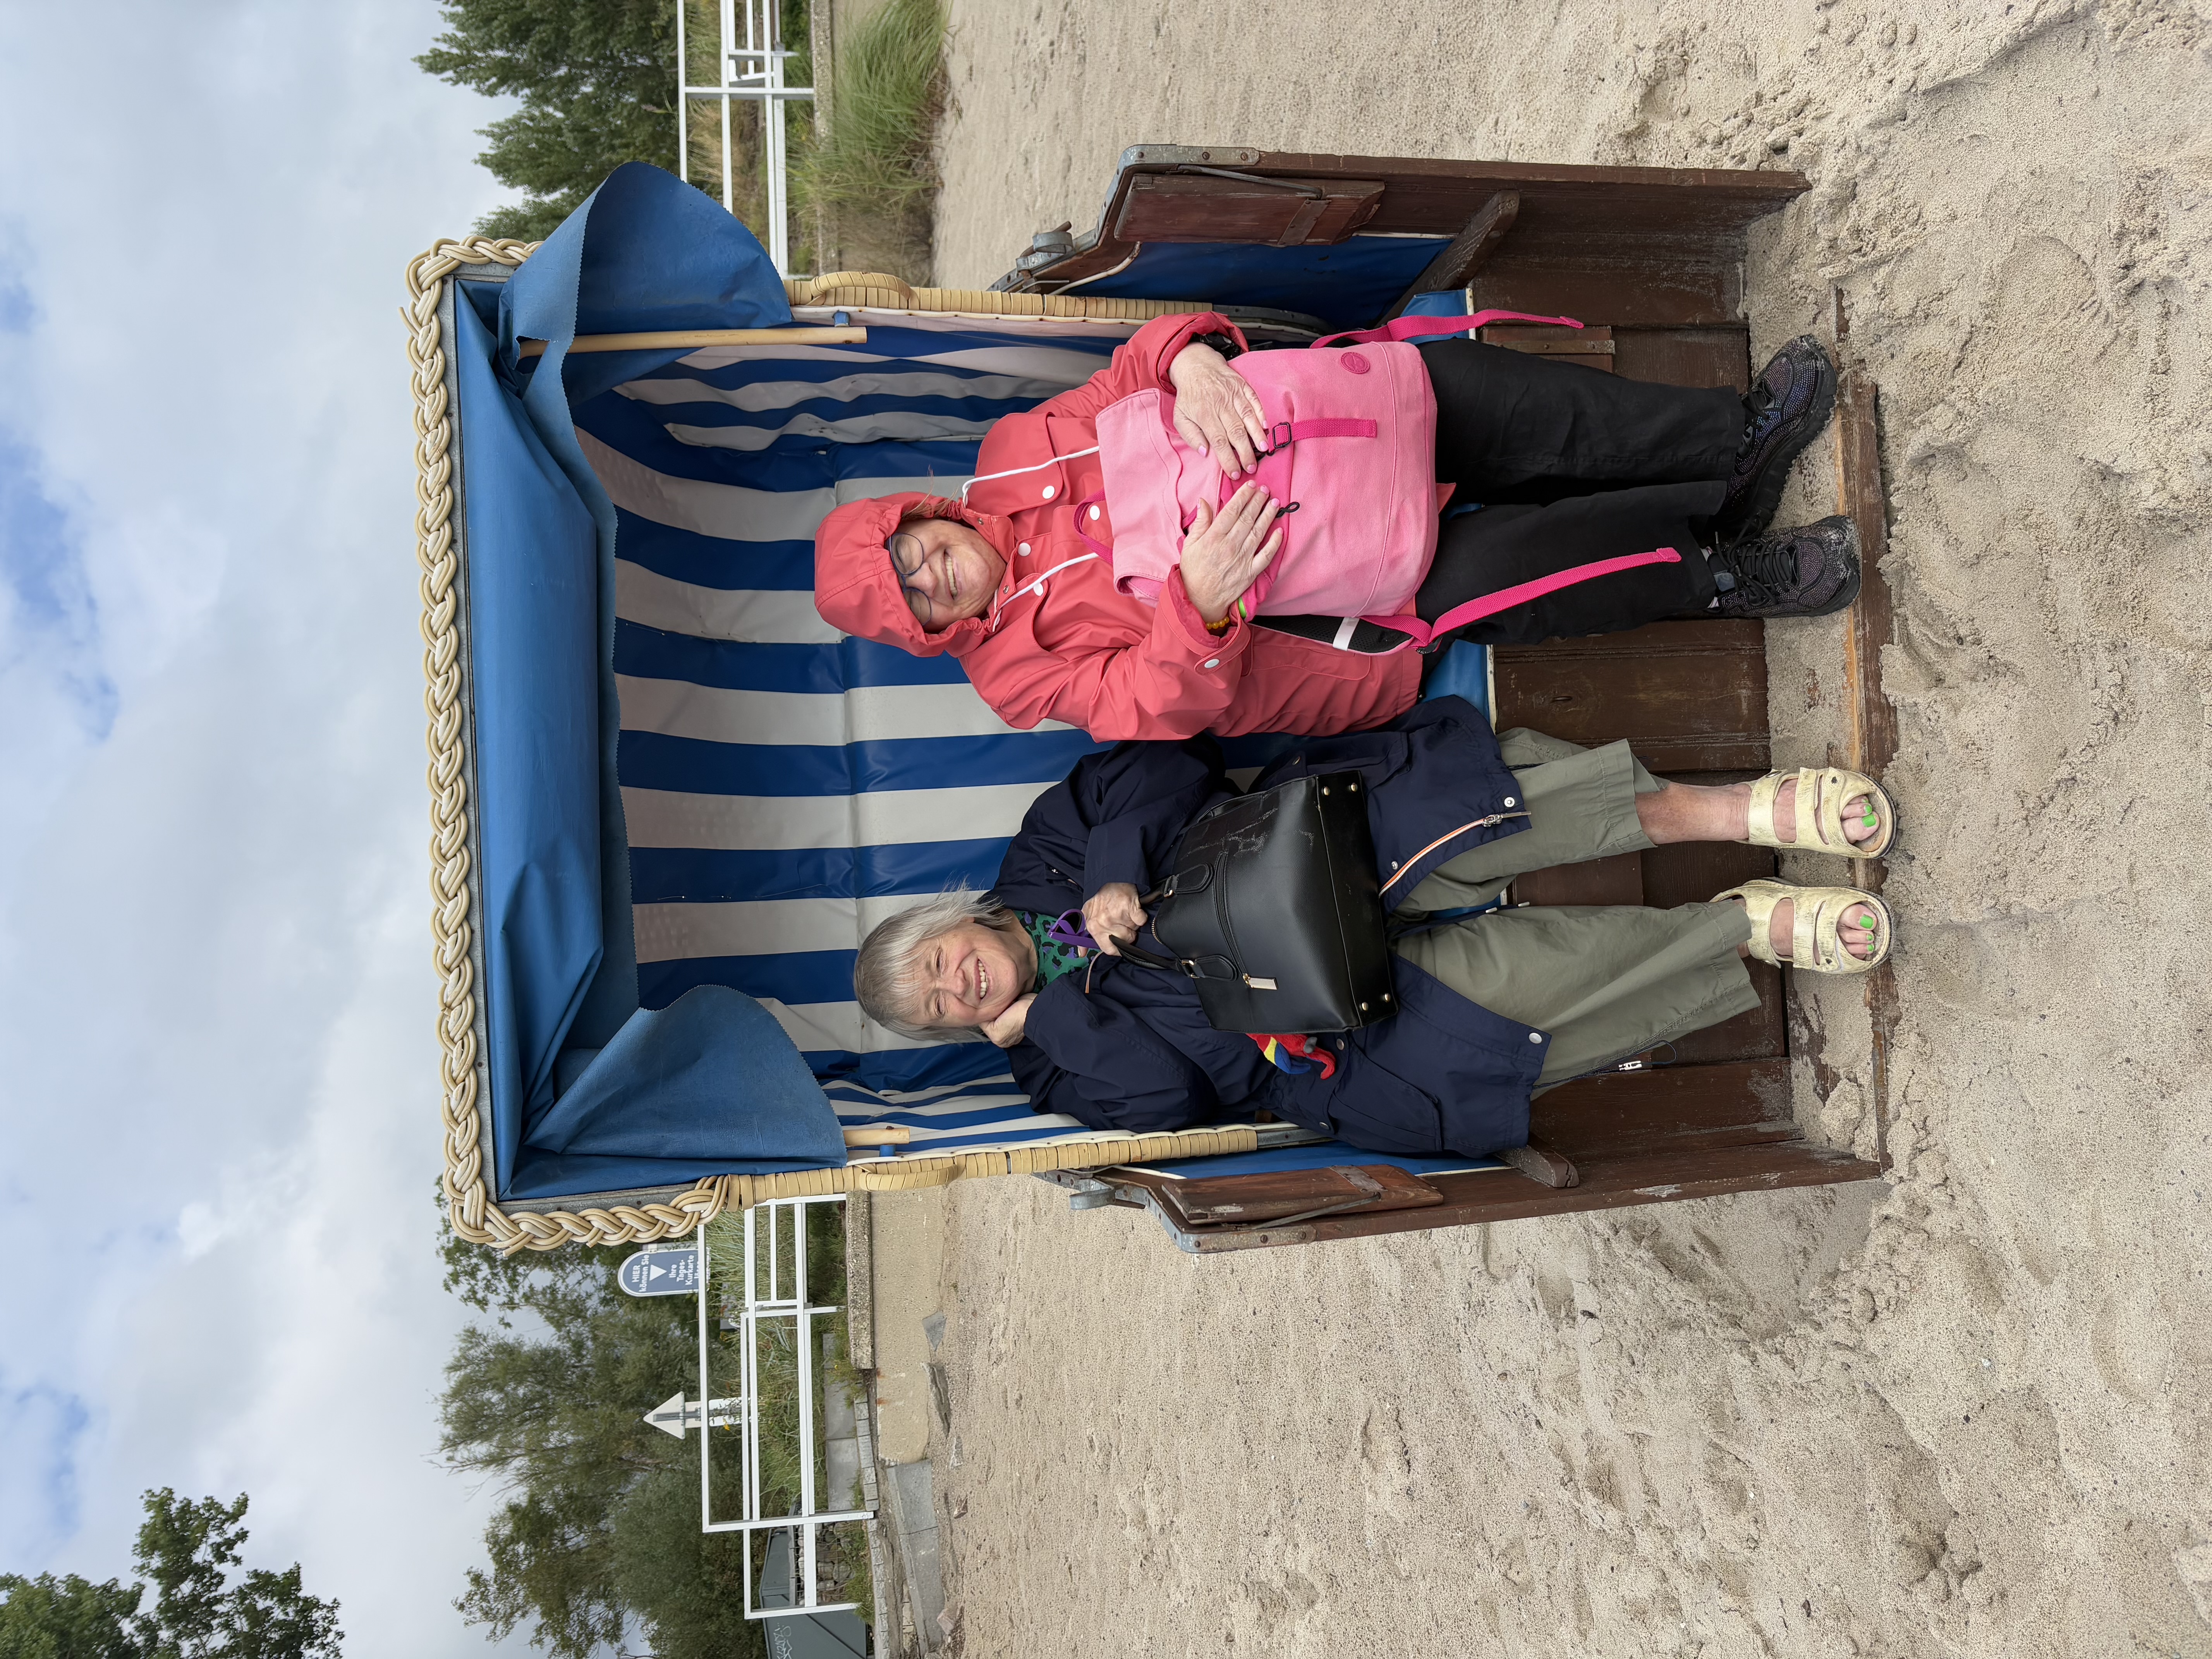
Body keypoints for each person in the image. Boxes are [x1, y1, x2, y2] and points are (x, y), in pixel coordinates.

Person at [850, 698, 1896, 1163]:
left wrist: (1116, 875)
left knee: (1476, 812)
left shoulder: (1041, 848)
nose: (961, 985)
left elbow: (1170, 764)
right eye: (942, 1006)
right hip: (1325, 1034)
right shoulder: (1048, 1073)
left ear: (950, 922)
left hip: (1302, 853)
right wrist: (1052, 1023)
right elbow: (1170, 1096)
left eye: (940, 963)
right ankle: (1735, 931)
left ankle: (1731, 809)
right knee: (1516, 1013)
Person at [814, 311, 1860, 742]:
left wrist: (1185, 359)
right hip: (1331, 606)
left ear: (917, 517)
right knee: (1537, 572)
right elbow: (1142, 706)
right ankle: (1732, 573)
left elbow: (1131, 370)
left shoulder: (1010, 453)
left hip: (1340, 418)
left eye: (912, 554)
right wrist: (1198, 605)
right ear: (927, 631)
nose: (934, 577)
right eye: (917, 601)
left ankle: (1737, 447)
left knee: (1533, 411)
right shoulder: (1011, 675)